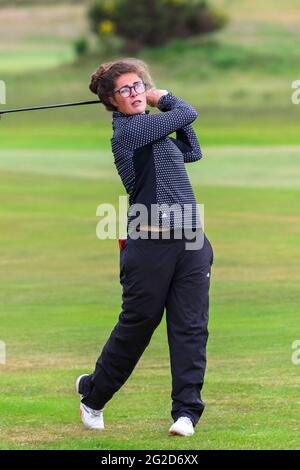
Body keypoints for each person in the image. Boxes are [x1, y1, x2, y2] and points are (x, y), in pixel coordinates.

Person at [75, 58, 214, 437]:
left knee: (190, 327)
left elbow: (192, 150)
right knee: (139, 326)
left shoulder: (155, 131)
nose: (135, 94)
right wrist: (164, 97)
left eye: (139, 86)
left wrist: (169, 109)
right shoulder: (128, 134)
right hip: (150, 244)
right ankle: (93, 394)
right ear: (112, 101)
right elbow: (188, 111)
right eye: (126, 90)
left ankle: (186, 412)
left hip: (191, 242)